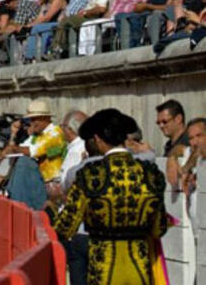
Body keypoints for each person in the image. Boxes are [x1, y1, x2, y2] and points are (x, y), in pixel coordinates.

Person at [55, 108, 168, 285]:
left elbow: (65, 227)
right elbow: (159, 228)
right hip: (139, 270)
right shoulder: (150, 173)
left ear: (98, 140)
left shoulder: (91, 175)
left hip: (104, 270)